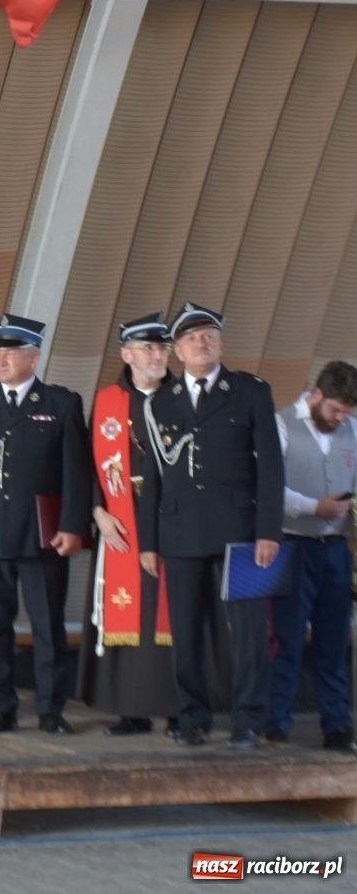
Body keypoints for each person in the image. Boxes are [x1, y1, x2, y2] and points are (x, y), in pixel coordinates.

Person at [139, 302, 284, 749]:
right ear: (177, 351)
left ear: (221, 344)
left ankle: (248, 722)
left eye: (208, 336)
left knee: (249, 634)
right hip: (180, 534)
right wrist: (149, 542)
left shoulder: (250, 391)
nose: (201, 343)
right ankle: (193, 718)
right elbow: (154, 479)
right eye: (191, 338)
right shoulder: (161, 402)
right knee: (185, 631)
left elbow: (271, 468)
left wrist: (269, 531)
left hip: (242, 535)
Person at [78, 314, 226, 737]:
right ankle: (132, 710)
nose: (158, 355)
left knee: (179, 614)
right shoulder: (106, 400)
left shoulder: (184, 397)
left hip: (175, 522)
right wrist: (96, 511)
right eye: (148, 348)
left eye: (163, 348)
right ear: (127, 354)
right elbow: (88, 465)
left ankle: (183, 708)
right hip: (121, 524)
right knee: (130, 614)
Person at [0, 314, 90, 734]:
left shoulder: (60, 404)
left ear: (34, 357)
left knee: (47, 628)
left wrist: (71, 525)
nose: (2, 359)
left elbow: (75, 473)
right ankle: (0, 707)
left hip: (42, 537)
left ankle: (50, 709)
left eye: (11, 352)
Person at [268, 360, 357, 751]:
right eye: (336, 410)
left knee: (335, 641)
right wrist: (312, 507)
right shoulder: (281, 424)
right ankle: (275, 723)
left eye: (347, 413)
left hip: (337, 549)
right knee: (285, 639)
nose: (341, 419)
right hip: (293, 545)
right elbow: (268, 487)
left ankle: (337, 723)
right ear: (317, 394)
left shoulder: (352, 429)